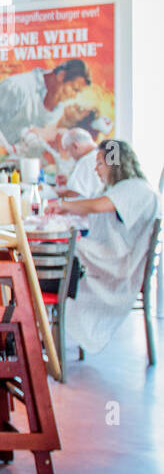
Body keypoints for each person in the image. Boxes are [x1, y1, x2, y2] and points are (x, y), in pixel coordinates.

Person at [47, 140, 161, 354]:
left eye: (99, 163)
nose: (95, 168)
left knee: (63, 253)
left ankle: (50, 311)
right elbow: (92, 205)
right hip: (114, 258)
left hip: (121, 265)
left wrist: (63, 206)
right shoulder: (118, 189)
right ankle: (50, 319)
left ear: (114, 163)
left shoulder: (134, 188)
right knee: (65, 250)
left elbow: (98, 206)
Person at [0, 59, 91, 152]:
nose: (73, 96)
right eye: (74, 89)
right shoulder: (17, 88)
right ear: (61, 76)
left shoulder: (58, 108)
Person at [55, 128, 102, 199]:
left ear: (75, 145)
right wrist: (69, 180)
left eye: (67, 150)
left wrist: (49, 191)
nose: (68, 155)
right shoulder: (97, 155)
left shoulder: (86, 161)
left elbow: (75, 194)